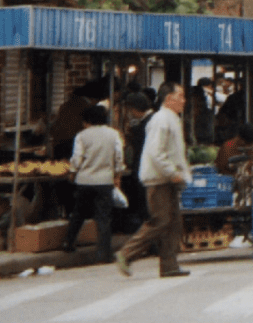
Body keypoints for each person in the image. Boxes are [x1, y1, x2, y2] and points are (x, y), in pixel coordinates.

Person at [116, 82, 191, 278]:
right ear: (169, 99)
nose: (184, 100)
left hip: (169, 179)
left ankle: (169, 264)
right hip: (159, 179)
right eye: (180, 96)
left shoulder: (171, 118)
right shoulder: (161, 120)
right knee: (160, 221)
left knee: (173, 223)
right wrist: (171, 171)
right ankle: (126, 253)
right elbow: (157, 152)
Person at [63, 104, 125, 263]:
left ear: (88, 121)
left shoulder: (82, 136)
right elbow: (119, 157)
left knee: (79, 213)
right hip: (105, 181)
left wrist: (72, 172)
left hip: (84, 180)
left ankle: (68, 242)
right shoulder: (113, 134)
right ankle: (103, 253)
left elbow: (77, 158)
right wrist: (117, 175)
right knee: (103, 218)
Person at [122, 91, 154, 227]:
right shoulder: (148, 121)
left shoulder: (149, 123)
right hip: (146, 171)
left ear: (133, 108)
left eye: (129, 109)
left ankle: (151, 243)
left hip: (146, 171)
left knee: (147, 210)